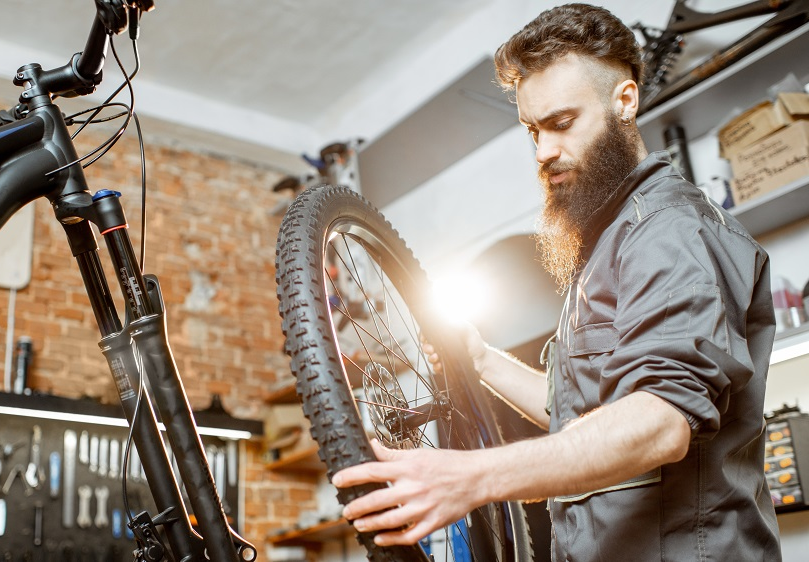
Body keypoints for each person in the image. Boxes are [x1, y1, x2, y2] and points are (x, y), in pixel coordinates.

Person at [331, 3, 782, 560]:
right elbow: (582, 415)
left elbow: (660, 422)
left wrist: (470, 477)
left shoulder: (668, 232)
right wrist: (481, 361)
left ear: (625, 100)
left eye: (563, 124)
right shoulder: (609, 242)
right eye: (532, 130)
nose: (544, 151)